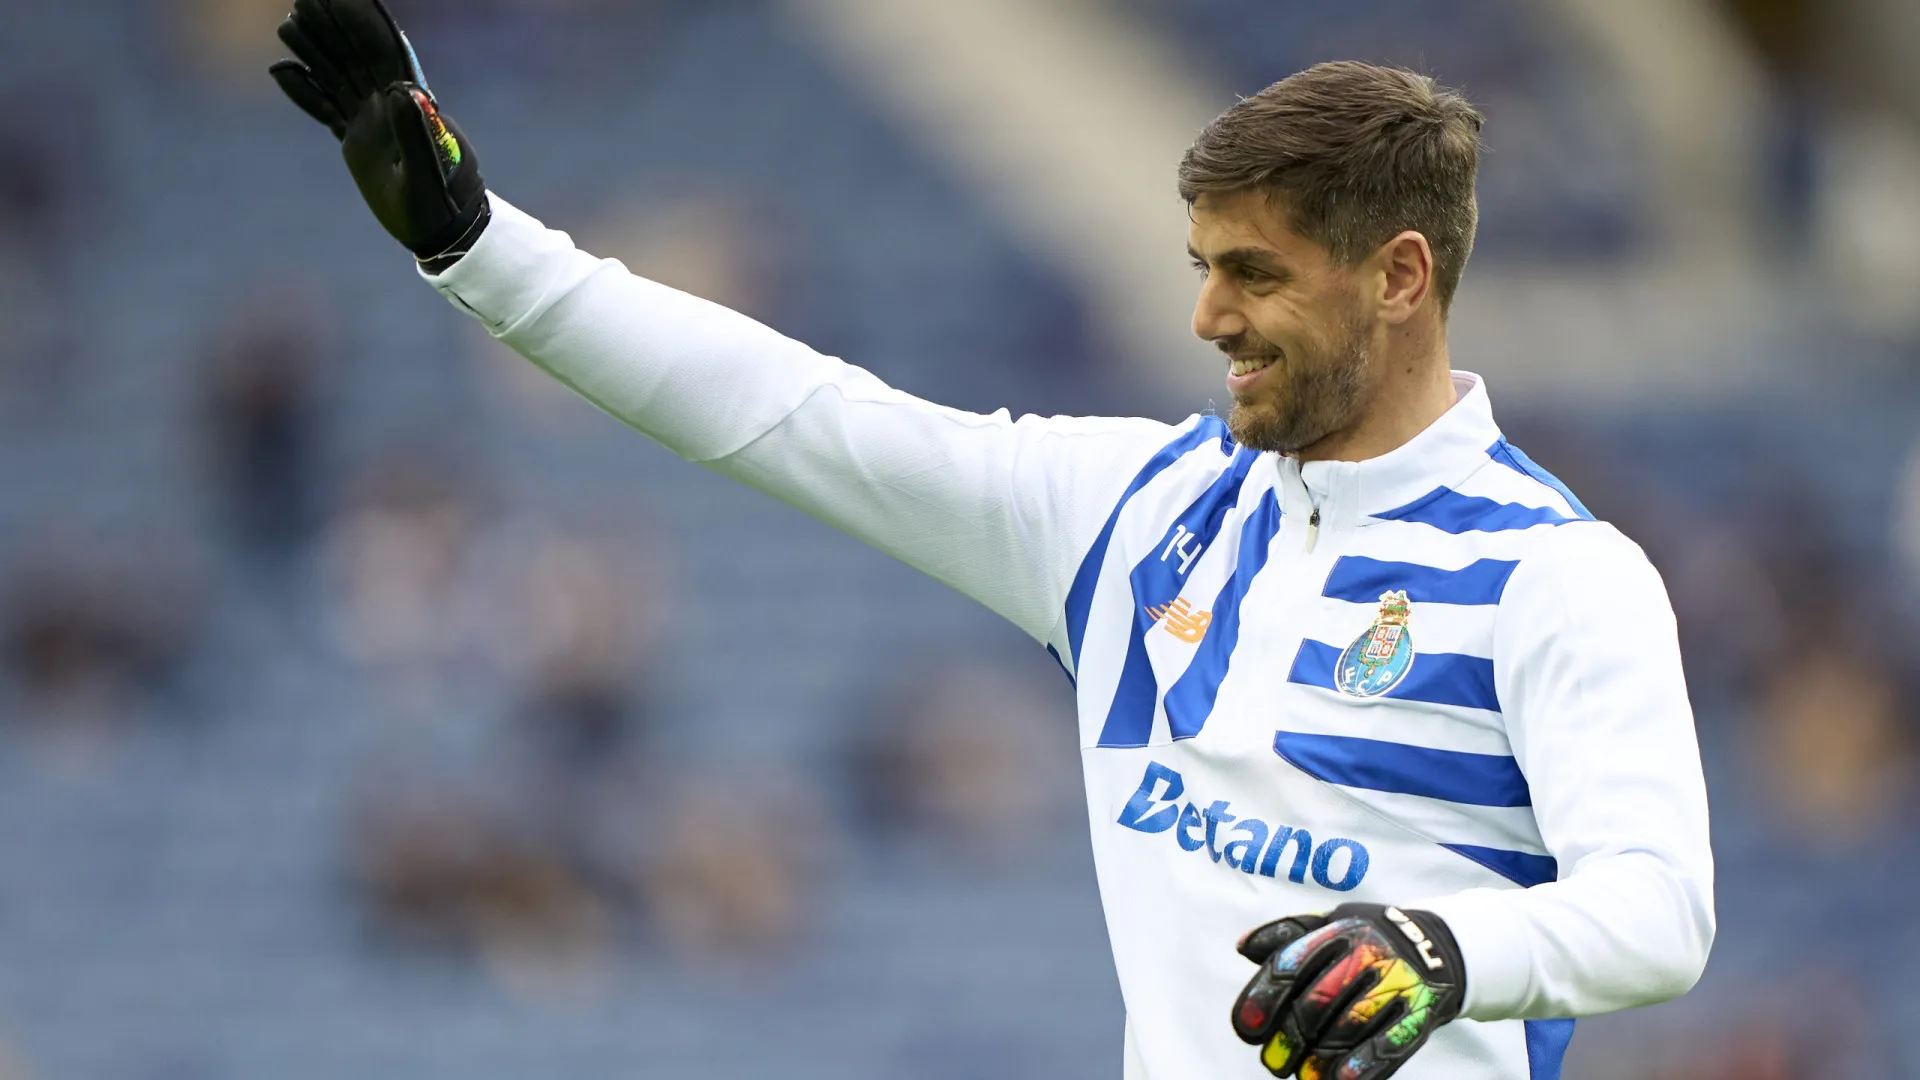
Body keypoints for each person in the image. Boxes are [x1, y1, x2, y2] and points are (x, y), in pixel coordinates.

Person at [267, 2, 1715, 1076]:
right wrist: (477, 246)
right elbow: (795, 415)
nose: (1207, 316)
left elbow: (1660, 912)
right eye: (1201, 268)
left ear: (1399, 277)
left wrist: (1442, 950)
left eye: (1255, 274)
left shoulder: (1556, 575)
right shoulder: (1135, 513)